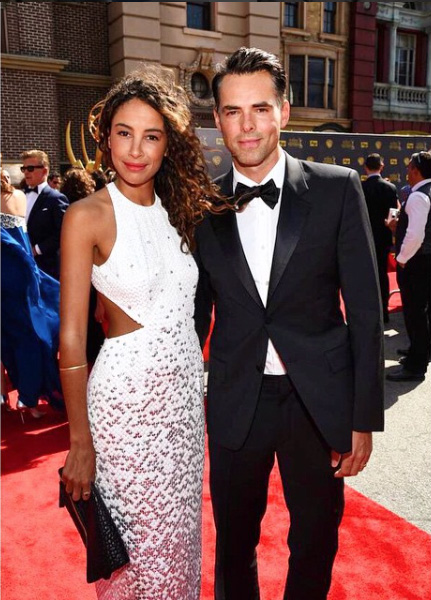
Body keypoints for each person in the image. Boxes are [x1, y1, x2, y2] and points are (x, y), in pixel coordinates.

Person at [194, 47, 384, 600]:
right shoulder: (201, 204)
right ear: (218, 119)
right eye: (233, 111)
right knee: (233, 547)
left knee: (315, 542)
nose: (247, 125)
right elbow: (194, 316)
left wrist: (362, 417)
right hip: (236, 398)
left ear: (285, 111)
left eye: (260, 108)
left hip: (317, 401)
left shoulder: (336, 187)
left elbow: (366, 311)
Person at [59, 65, 222, 599]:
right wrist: (79, 441)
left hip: (183, 405)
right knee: (138, 561)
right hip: (125, 409)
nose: (136, 149)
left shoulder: (179, 211)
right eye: (124, 133)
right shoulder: (86, 215)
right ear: (106, 138)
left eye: (151, 136)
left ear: (167, 145)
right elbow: (71, 340)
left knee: (178, 550)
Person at [1, 168, 62, 418]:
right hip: (24, 274)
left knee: (13, 337)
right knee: (28, 334)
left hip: (7, 274)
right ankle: (29, 397)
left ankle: (23, 395)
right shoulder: (18, 196)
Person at [387, 151, 431, 382]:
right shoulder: (425, 192)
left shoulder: (417, 197)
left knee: (415, 313)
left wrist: (402, 258)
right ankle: (419, 351)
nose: (406, 171)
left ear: (416, 170)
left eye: (409, 167)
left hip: (416, 261)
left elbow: (415, 235)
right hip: (425, 260)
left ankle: (416, 366)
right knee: (422, 312)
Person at [60, 167, 105, 365]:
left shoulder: (70, 211)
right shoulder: (92, 210)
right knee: (91, 326)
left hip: (75, 274)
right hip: (90, 277)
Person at [362, 153, 398, 323]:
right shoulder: (390, 188)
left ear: (365, 168)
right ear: (382, 167)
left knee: (365, 275)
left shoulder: (360, 187)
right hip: (383, 238)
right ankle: (384, 312)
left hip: (363, 238)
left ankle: (367, 313)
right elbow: (393, 214)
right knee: (382, 274)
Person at [21, 150, 69, 279]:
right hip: (22, 265)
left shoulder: (56, 198)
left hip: (46, 268)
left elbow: (63, 232)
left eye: (30, 168)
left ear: (44, 171)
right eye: (23, 169)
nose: (26, 172)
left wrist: (37, 249)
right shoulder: (20, 195)